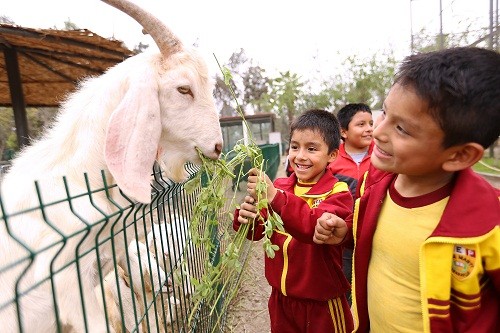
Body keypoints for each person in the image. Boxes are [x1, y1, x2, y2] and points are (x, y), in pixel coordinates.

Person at [313, 46, 500, 333]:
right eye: (385, 113)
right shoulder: (375, 186)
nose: (377, 132)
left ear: (459, 155)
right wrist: (347, 233)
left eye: (402, 129)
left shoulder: (489, 225)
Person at [235, 109, 354, 333]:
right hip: (281, 300)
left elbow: (313, 228)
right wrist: (247, 218)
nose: (300, 156)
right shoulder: (281, 186)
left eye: (312, 149)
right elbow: (257, 232)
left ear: (332, 155)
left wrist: (274, 198)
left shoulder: (338, 192)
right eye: (295, 146)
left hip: (322, 303)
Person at [328, 102, 373, 305]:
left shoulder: (383, 155)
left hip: (372, 233)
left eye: (371, 123)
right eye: (361, 124)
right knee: (344, 280)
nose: (369, 128)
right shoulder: (331, 159)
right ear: (343, 132)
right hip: (343, 236)